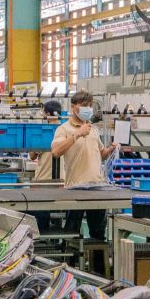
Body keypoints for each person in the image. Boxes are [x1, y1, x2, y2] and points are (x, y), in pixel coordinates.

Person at [50, 91, 119, 240]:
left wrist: (111, 149)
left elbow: (101, 154)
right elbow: (55, 152)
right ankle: (70, 262)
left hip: (96, 187)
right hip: (75, 188)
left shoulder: (93, 129)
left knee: (98, 233)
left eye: (89, 105)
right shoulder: (63, 129)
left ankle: (98, 263)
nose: (87, 108)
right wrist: (77, 134)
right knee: (72, 232)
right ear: (73, 106)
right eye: (83, 105)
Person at [30, 100, 64, 234]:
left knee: (41, 210)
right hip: (63, 180)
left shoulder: (43, 132)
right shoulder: (66, 131)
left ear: (47, 114)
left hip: (43, 180)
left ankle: (43, 237)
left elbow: (32, 155)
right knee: (60, 210)